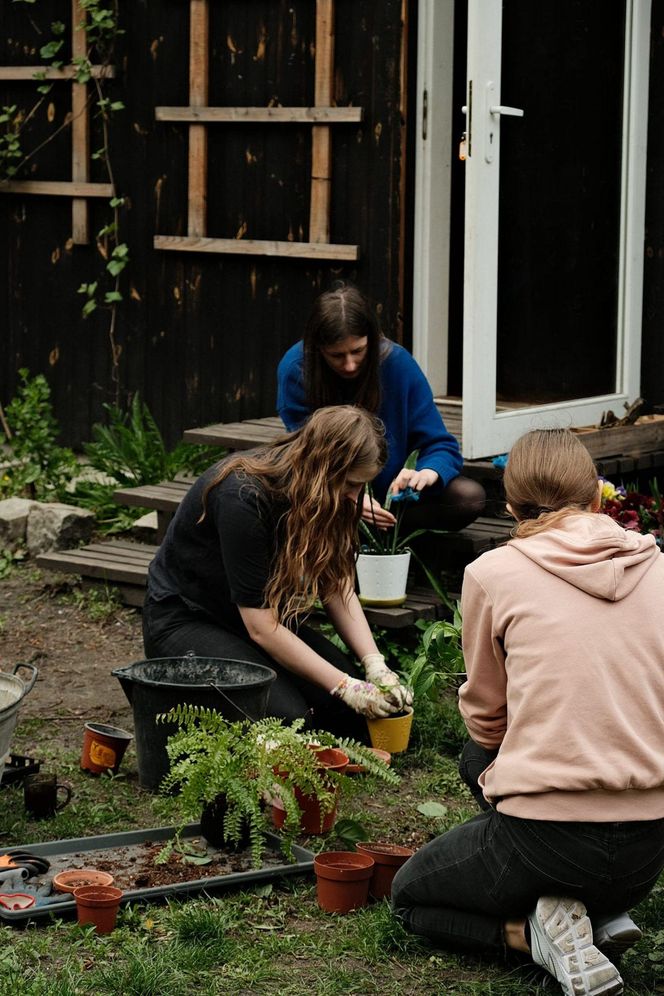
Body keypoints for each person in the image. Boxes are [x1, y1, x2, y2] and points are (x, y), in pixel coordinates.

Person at [391, 428, 664, 996]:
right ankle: (604, 912)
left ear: (511, 507)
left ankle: (531, 933)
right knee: (484, 763)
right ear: (597, 499)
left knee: (410, 897)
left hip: (547, 842)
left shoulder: (493, 573)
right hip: (647, 849)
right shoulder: (658, 568)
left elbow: (488, 719)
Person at [142, 405, 412, 742]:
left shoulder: (325, 493)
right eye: (352, 485)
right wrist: (345, 685)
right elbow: (262, 629)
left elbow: (336, 584)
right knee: (290, 720)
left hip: (254, 619)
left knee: (348, 718)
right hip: (186, 619)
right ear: (323, 471)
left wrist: (374, 664)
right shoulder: (244, 496)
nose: (356, 497)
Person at [277, 282, 485, 534]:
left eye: (358, 351)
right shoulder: (297, 369)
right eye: (336, 355)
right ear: (317, 349)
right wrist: (345, 493)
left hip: (395, 495)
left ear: (373, 340)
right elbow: (305, 455)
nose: (350, 365)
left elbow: (441, 444)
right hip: (329, 492)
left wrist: (428, 472)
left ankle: (386, 537)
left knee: (470, 497)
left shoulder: (397, 364)